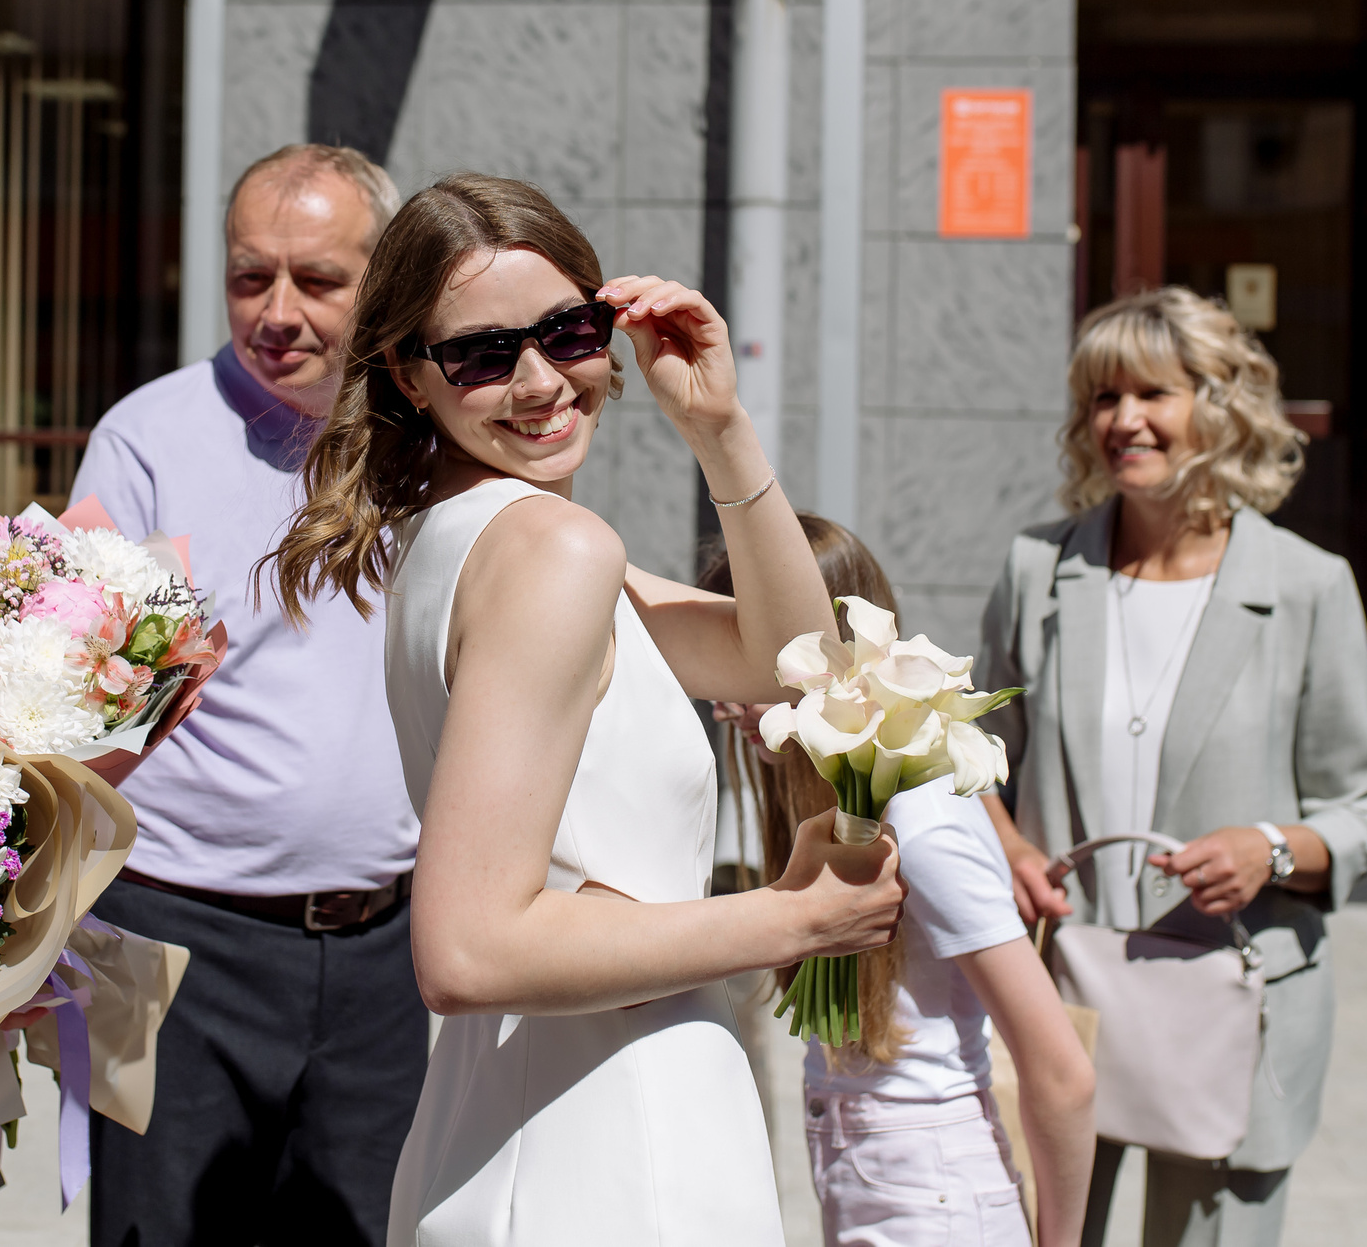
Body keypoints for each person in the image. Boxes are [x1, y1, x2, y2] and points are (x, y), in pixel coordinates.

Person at [266, 172, 906, 1247]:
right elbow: (466, 952)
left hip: (516, 1116)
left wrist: (719, 429)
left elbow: (798, 665)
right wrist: (800, 920)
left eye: (567, 331)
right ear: (409, 380)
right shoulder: (551, 550)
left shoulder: (458, 535)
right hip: (614, 1131)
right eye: (480, 354)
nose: (538, 382)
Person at [976, 286, 1367, 1247]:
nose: (1123, 420)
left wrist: (1272, 848)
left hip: (1226, 1000)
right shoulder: (1037, 570)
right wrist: (1002, 840)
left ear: (1217, 405)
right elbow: (974, 758)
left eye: (1152, 394)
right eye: (1102, 397)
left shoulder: (1305, 587)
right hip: (1062, 988)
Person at [71, 144, 425, 1246]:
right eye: (247, 276)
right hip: (173, 944)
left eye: (316, 280)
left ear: (386, 283)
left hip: (389, 951)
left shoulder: (434, 441)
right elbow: (74, 704)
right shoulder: (146, 439)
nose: (275, 311)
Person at [715, 517, 1097, 1247]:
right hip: (878, 1165)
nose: (720, 694)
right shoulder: (824, 802)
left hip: (934, 1183)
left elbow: (1062, 1069)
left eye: (743, 648)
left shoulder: (919, 821)